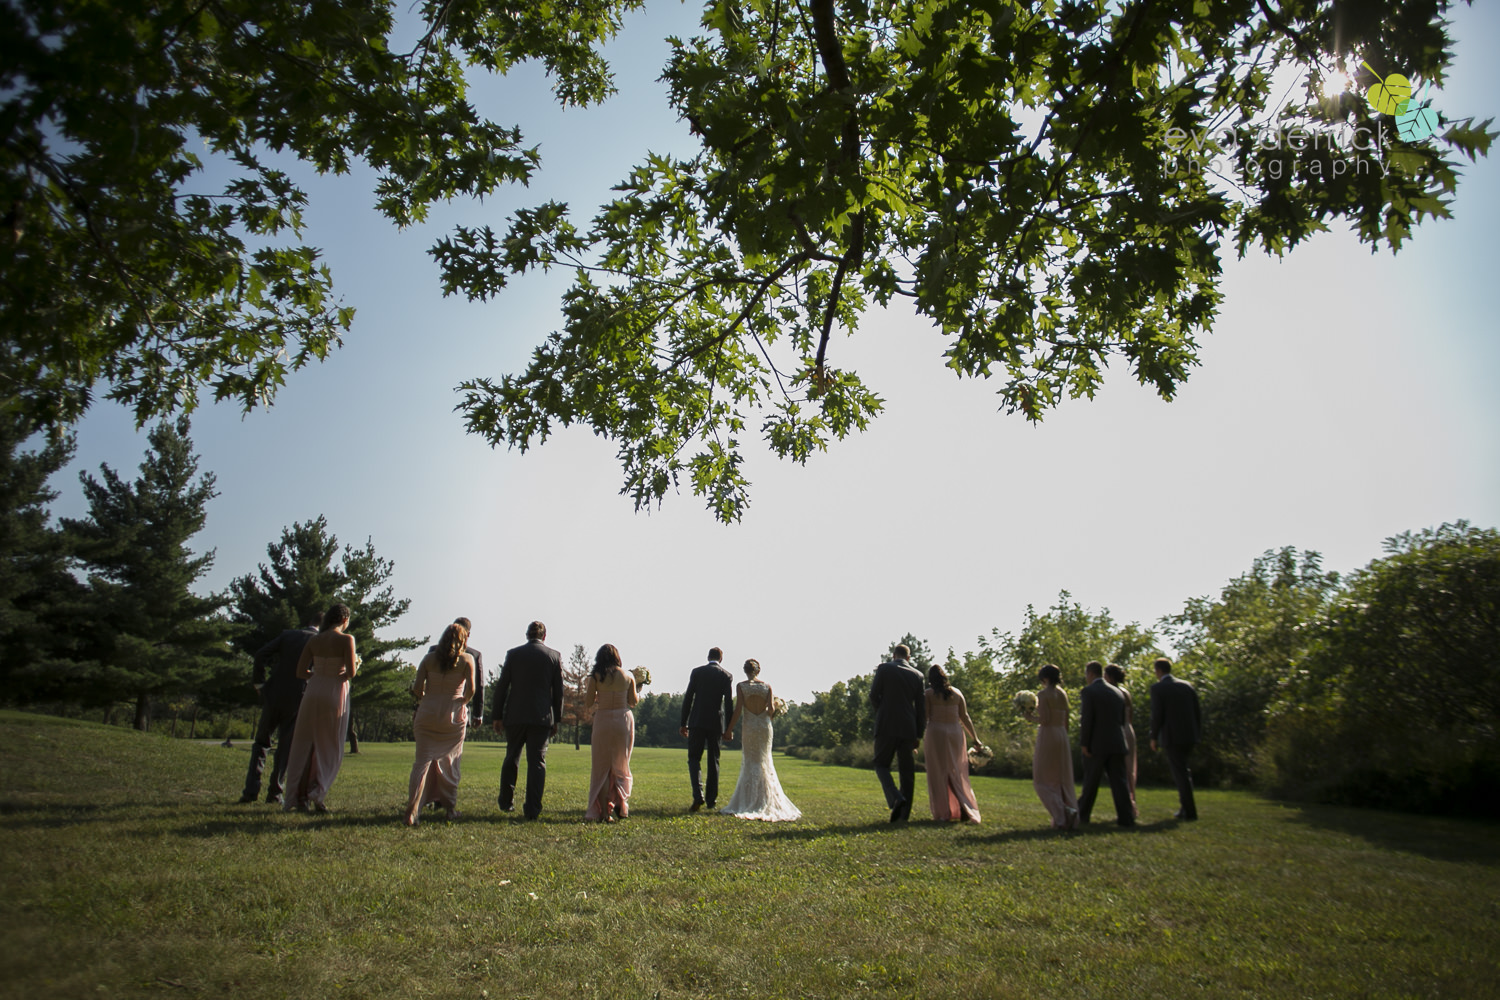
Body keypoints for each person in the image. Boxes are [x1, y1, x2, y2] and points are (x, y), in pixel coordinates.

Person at [282, 603, 359, 813]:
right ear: (345, 620)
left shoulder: (315, 640)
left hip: (313, 690)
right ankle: (317, 791)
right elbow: (350, 672)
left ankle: (296, 796)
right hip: (334, 691)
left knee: (304, 743)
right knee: (329, 745)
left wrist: (318, 677)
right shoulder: (346, 639)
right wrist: (343, 672)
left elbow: (301, 671)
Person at [237, 612, 319, 805]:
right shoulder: (318, 641)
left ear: (308, 622)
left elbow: (260, 655)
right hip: (298, 697)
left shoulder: (287, 635)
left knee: (261, 743)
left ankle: (250, 790)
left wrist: (259, 684)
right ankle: (275, 792)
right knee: (285, 747)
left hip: (273, 693)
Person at [404, 621, 476, 826]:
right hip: (452, 715)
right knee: (450, 762)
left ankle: (413, 810)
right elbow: (471, 690)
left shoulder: (428, 659)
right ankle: (449, 809)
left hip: (427, 712)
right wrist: (462, 702)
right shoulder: (466, 660)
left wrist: (428, 697)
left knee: (421, 762)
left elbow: (418, 689)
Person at [493, 620, 564, 820]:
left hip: (515, 714)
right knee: (537, 762)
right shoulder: (554, 656)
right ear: (544, 636)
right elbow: (558, 692)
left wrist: (497, 715)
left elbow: (502, 687)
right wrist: (556, 719)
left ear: (527, 635)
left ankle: (506, 801)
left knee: (511, 758)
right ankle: (532, 808)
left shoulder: (513, 654)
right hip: (541, 717)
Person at [720, 659, 801, 822]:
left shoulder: (741, 686)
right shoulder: (767, 687)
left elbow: (738, 710)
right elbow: (770, 711)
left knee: (750, 760)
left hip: (749, 726)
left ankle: (750, 799)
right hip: (764, 726)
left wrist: (729, 729)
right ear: (758, 671)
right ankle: (765, 797)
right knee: (765, 760)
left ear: (745, 671)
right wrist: (775, 707)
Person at [870, 644, 926, 823]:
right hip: (908, 727)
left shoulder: (884, 669)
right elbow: (921, 708)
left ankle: (895, 797)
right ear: (909, 658)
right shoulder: (918, 675)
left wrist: (882, 711)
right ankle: (903, 816)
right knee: (907, 772)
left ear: (893, 655)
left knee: (881, 764)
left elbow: (873, 695)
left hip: (886, 724)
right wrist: (919, 734)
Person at [1077, 659, 1136, 827]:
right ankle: (1126, 818)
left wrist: (1084, 743)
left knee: (1091, 782)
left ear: (1090, 673)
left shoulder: (1089, 692)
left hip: (1097, 744)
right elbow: (1121, 719)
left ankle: (1083, 815)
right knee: (1120, 782)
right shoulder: (1117, 693)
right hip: (1117, 742)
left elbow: (1087, 719)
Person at [583, 643, 639, 822]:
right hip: (623, 720)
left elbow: (588, 702)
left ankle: (604, 813)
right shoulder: (627, 676)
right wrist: (639, 687)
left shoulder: (596, 677)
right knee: (621, 764)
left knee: (601, 768)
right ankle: (620, 804)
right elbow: (633, 702)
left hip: (604, 719)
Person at [923, 664, 981, 823]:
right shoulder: (957, 693)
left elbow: (925, 717)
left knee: (939, 772)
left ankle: (944, 811)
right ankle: (964, 805)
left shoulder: (928, 694)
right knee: (957, 770)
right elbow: (965, 717)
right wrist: (975, 738)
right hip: (955, 732)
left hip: (936, 733)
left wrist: (917, 736)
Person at [1024, 664, 1079, 830]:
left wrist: (1029, 717)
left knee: (1041, 778)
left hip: (1048, 735)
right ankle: (1068, 810)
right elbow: (1066, 719)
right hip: (1061, 734)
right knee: (1061, 777)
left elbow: (1045, 719)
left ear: (1044, 678)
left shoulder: (1043, 694)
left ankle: (1063, 812)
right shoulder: (1063, 693)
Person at [679, 647, 735, 812]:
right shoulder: (726, 676)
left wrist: (683, 722)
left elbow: (689, 697)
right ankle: (711, 800)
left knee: (694, 758)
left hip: (697, 721)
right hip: (716, 723)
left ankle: (698, 795)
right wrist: (729, 728)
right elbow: (729, 703)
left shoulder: (697, 672)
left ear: (708, 657)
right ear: (721, 659)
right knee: (713, 760)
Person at [1150, 656, 1202, 821]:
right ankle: (1185, 807)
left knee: (1180, 774)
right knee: (1184, 772)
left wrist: (1153, 736)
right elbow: (1197, 712)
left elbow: (1157, 715)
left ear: (1158, 670)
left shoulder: (1158, 689)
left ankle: (1189, 811)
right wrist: (1197, 732)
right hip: (1189, 735)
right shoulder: (1187, 686)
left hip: (1172, 737)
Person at [427, 616, 484, 728]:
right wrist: (478, 714)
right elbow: (478, 686)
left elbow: (424, 681)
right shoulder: (473, 655)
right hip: (457, 709)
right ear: (468, 634)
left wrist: (418, 707)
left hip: (431, 708)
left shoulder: (433, 651)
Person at [1104, 663, 1140, 819]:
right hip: (1128, 729)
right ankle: (1132, 803)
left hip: (1118, 730)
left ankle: (1128, 806)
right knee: (1130, 769)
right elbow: (1130, 714)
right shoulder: (1126, 693)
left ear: (1110, 676)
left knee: (1121, 770)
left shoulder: (1112, 693)